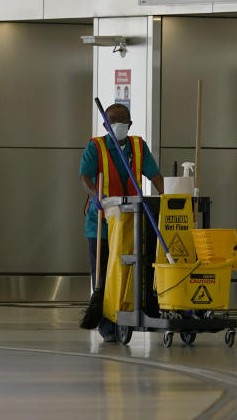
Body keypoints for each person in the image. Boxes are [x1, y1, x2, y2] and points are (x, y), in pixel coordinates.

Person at [79, 103, 163, 341]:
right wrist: (95, 194)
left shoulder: (138, 146)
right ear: (105, 124)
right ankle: (107, 325)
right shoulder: (95, 146)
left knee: (135, 270)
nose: (118, 123)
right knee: (104, 273)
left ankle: (139, 310)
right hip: (102, 222)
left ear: (130, 123)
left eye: (123, 119)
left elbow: (154, 175)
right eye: (113, 119)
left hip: (131, 222)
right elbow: (84, 175)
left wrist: (169, 196)